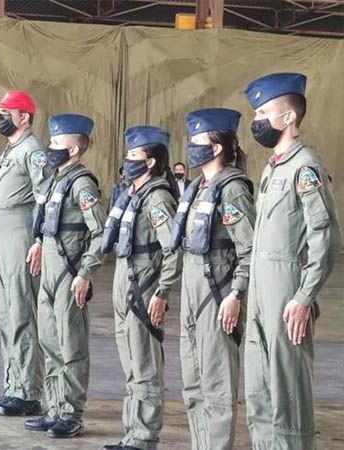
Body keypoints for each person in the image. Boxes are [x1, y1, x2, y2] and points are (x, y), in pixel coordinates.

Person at [243, 73, 341, 450]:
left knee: (288, 391)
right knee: (259, 389)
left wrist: (303, 297)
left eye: (264, 111)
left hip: (286, 290)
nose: (257, 120)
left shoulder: (306, 167)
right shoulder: (272, 168)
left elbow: (326, 237)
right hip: (259, 289)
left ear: (288, 118)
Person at [171, 108, 254, 450]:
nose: (191, 147)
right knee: (192, 383)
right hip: (191, 291)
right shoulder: (197, 187)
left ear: (217, 146)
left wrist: (236, 294)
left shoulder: (232, 189)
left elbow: (249, 250)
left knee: (217, 386)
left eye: (197, 141)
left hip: (217, 294)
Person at [25, 114, 106, 439]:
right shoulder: (54, 180)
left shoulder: (82, 184)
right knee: (50, 341)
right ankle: (55, 407)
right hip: (48, 273)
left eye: (58, 143)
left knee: (72, 346)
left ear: (74, 150)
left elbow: (100, 233)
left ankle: (71, 413)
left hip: (69, 275)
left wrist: (85, 272)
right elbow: (49, 221)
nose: (50, 147)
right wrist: (39, 243)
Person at [101, 125, 181, 450]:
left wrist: (162, 292)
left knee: (145, 365)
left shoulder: (158, 198)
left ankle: (145, 437)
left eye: (134, 155)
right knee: (132, 365)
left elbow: (173, 249)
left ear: (150, 162)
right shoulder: (133, 195)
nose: (128, 161)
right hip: (125, 284)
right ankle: (133, 433)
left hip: (144, 290)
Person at [0, 90, 48, 416]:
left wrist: (39, 241)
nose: (1, 117)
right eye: (0, 111)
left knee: (22, 315)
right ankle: (13, 386)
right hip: (2, 244)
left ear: (25, 117)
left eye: (7, 112)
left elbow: (45, 199)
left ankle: (28, 393)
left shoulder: (33, 151)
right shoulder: (12, 149)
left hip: (20, 242)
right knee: (6, 316)